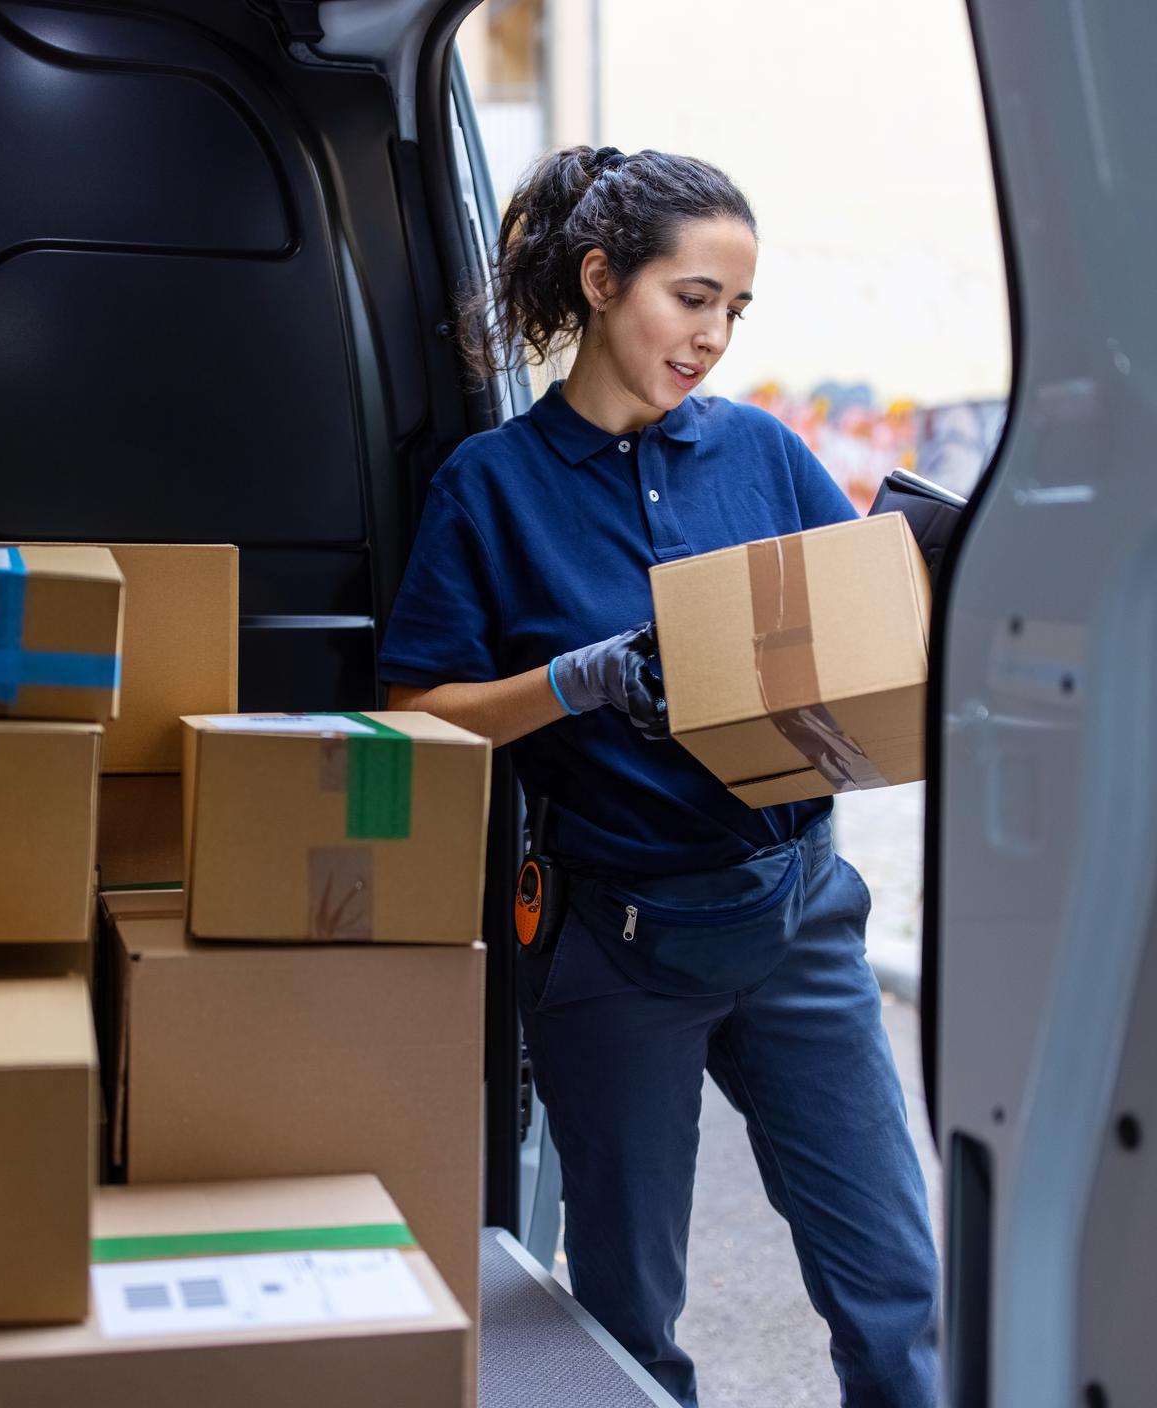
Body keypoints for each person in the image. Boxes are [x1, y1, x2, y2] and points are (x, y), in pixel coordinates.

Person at [377, 145, 939, 1407]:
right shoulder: (490, 488)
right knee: (629, 1317)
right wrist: (572, 683)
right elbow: (417, 714)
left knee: (895, 1290)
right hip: (621, 948)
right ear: (599, 277)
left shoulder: (763, 453)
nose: (713, 337)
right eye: (692, 298)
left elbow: (860, 639)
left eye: (735, 311)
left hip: (797, 917)